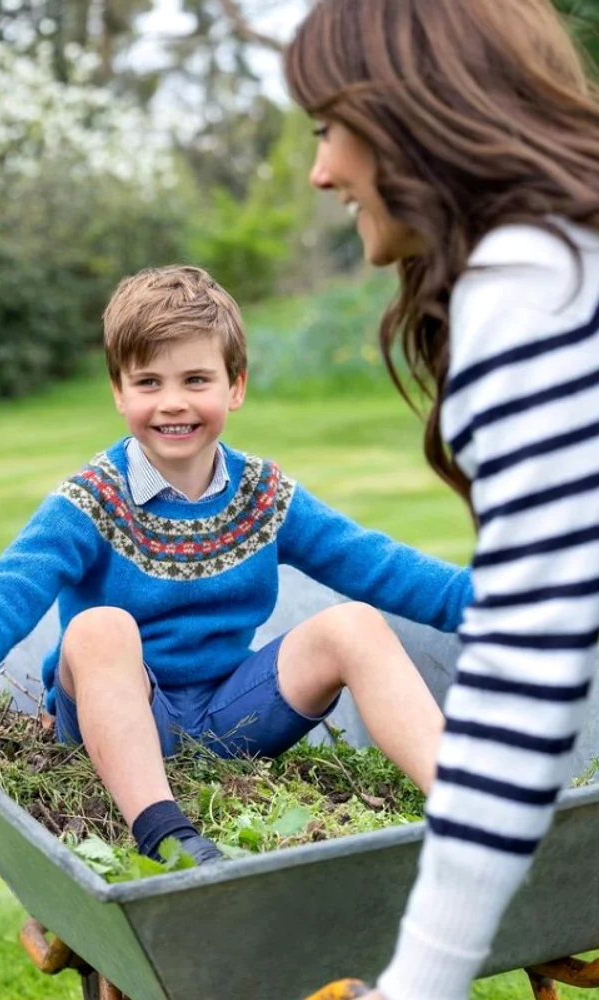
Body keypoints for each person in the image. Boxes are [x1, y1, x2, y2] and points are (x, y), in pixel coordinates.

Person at [0, 264, 471, 866]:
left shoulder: (263, 494)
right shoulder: (91, 501)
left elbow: (377, 565)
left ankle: (463, 806)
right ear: (118, 391)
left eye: (196, 379)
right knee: (98, 627)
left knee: (354, 623)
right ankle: (167, 836)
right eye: (148, 382)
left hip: (232, 714)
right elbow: (6, 593)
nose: (173, 403)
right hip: (114, 720)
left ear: (235, 386)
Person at [285, 1, 599, 998]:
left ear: (407, 119)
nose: (320, 171)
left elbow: (528, 677)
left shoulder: (527, 294)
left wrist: (420, 982)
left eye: (330, 129)